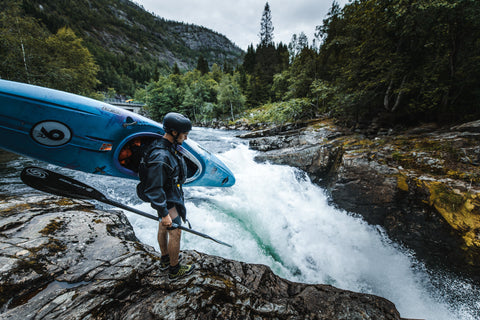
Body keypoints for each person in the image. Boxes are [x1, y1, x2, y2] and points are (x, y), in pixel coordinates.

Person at [136, 112, 195, 280]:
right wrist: (164, 212)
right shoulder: (161, 156)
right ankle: (174, 270)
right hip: (166, 200)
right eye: (185, 134)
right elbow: (154, 188)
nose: (186, 138)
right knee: (175, 231)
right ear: (174, 133)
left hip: (168, 196)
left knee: (163, 226)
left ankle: (165, 259)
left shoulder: (165, 147)